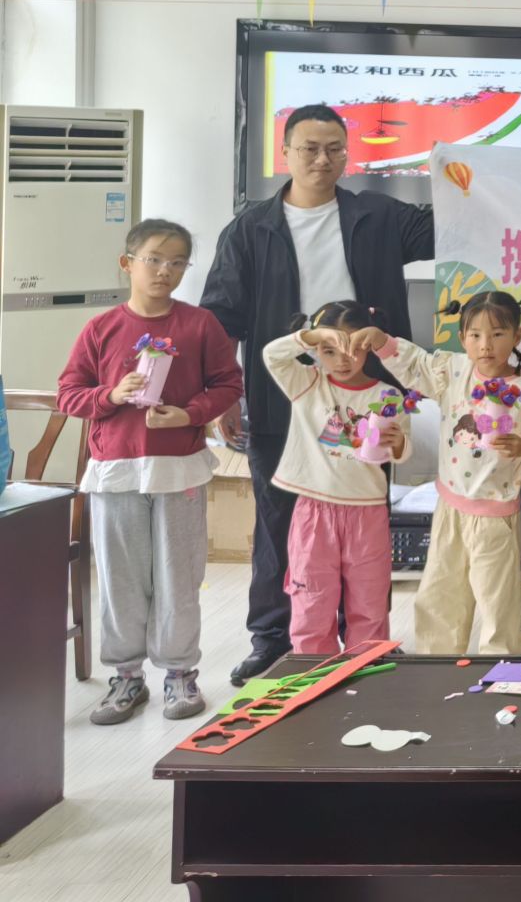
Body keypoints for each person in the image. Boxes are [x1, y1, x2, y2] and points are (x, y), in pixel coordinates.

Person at [200, 102, 434, 684]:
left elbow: (450, 221)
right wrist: (225, 392)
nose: (322, 159)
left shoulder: (378, 216)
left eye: (334, 149)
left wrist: (473, 171)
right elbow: (222, 316)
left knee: (363, 526)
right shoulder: (251, 228)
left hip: (364, 399)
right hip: (283, 393)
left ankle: (365, 641)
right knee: (280, 524)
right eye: (309, 148)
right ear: (285, 152)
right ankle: (275, 640)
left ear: (347, 154)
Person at [57, 219, 242, 724]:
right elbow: (69, 394)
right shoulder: (101, 328)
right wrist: (110, 395)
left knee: (179, 575)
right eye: (154, 259)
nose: (165, 271)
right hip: (115, 471)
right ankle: (126, 676)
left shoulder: (200, 324)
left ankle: (179, 673)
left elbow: (228, 384)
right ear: (127, 264)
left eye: (177, 262)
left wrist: (189, 414)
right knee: (120, 577)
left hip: (179, 470)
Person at [376, 293, 521, 654]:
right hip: (449, 510)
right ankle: (437, 665)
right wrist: (380, 341)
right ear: (462, 338)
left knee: (498, 605)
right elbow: (415, 363)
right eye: (476, 335)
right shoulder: (454, 371)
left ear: (517, 336)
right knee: (439, 597)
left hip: (494, 521)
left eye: (497, 334)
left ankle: (502, 666)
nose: (486, 345)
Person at [261, 301, 413, 657]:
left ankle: (365, 674)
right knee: (311, 603)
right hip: (314, 512)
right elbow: (272, 355)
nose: (343, 361)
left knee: (370, 604)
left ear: (368, 346)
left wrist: (398, 443)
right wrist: (311, 336)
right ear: (316, 351)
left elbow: (401, 452)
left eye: (353, 350)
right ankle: (314, 675)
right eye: (330, 351)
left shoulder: (387, 395)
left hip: (367, 514)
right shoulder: (306, 383)